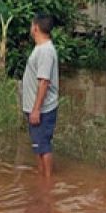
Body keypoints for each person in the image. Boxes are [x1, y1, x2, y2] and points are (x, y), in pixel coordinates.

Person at [22, 13, 59, 179]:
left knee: (43, 146)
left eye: (31, 26)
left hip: (42, 110)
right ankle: (42, 178)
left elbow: (44, 82)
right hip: (35, 108)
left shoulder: (45, 51)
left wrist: (36, 109)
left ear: (35, 27)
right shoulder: (41, 49)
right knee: (38, 146)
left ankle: (47, 183)